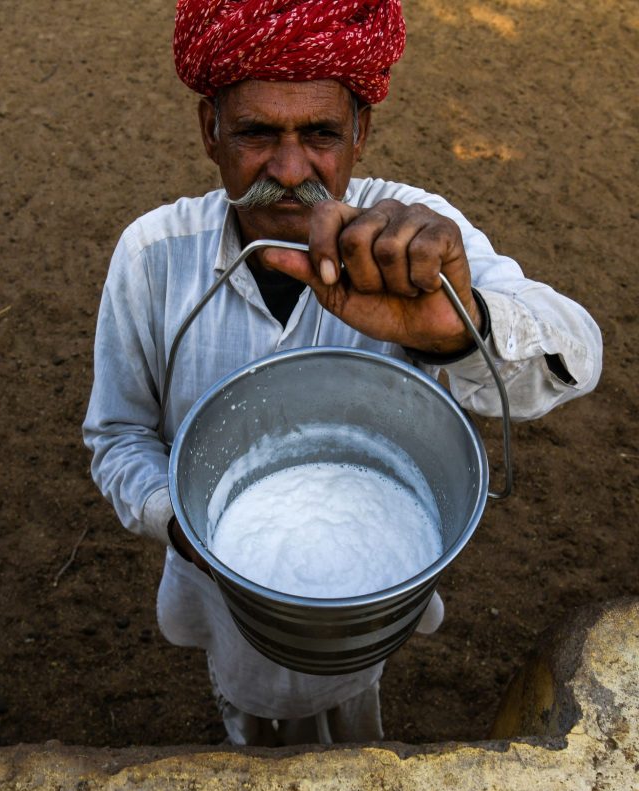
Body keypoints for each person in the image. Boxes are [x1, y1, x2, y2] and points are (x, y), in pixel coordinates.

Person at [83, 0, 602, 746]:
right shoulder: (153, 259)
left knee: (357, 736)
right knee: (247, 725)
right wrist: (184, 522)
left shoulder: (410, 240)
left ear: (360, 130)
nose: (290, 172)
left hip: (369, 613)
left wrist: (461, 329)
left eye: (321, 134)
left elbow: (575, 352)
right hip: (227, 604)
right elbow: (119, 435)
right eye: (258, 132)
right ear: (211, 131)